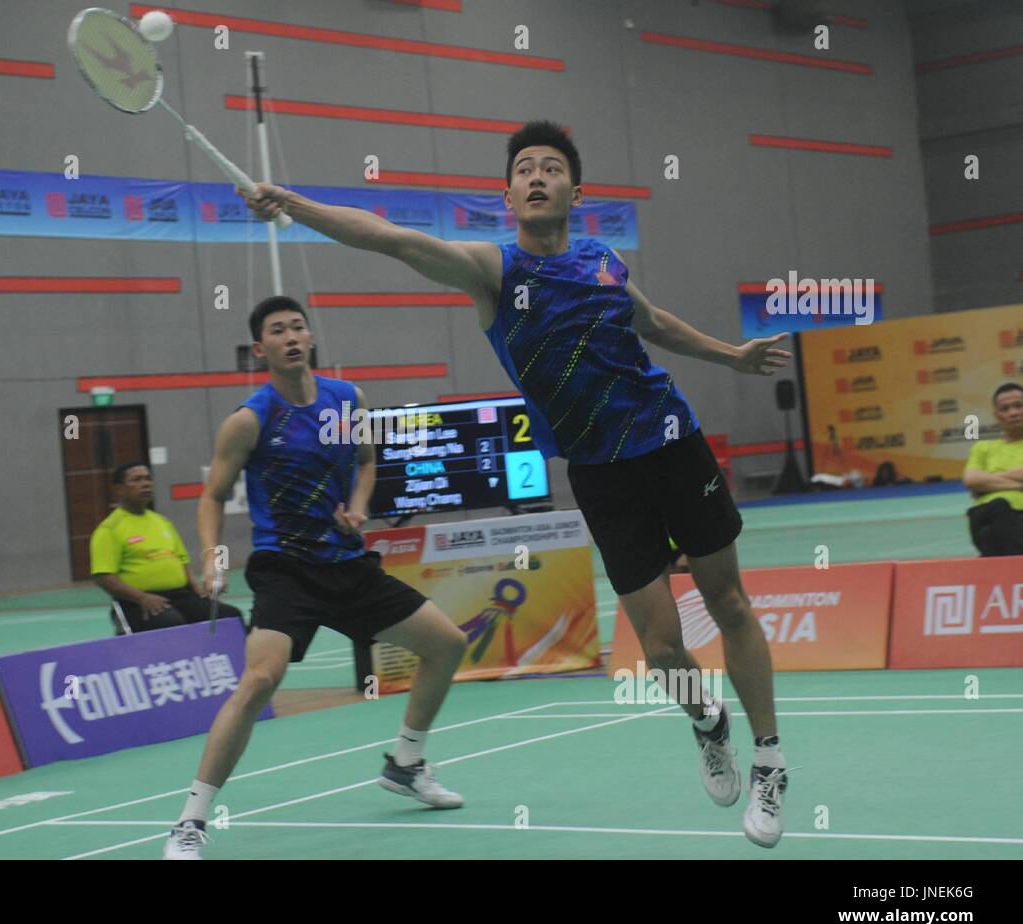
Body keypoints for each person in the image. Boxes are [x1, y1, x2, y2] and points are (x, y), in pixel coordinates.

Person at [239, 120, 794, 848]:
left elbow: (653, 323)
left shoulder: (602, 260)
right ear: (507, 196)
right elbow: (390, 238)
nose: (537, 176)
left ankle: (770, 761)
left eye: (552, 167)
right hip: (599, 472)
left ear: (575, 190)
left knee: (728, 601)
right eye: (525, 169)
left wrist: (731, 356)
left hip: (670, 441)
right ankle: (707, 721)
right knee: (661, 647)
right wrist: (295, 207)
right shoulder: (493, 273)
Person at [163, 296, 469, 860]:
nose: (292, 336)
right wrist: (211, 556)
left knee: (447, 644)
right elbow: (211, 495)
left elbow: (367, 459)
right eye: (278, 331)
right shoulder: (250, 419)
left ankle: (405, 763)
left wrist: (358, 507)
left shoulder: (346, 398)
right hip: (286, 569)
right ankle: (190, 822)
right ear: (261, 349)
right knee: (259, 680)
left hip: (346, 562)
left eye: (298, 327)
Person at [90, 462, 242, 633]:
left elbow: (182, 560)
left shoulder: (162, 522)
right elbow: (103, 577)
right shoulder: (109, 529)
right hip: (139, 602)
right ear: (119, 489)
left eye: (148, 479)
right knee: (171, 622)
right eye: (137, 480)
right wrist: (142, 598)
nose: (146, 484)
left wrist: (196, 587)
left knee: (229, 616)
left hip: (181, 595)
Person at [963, 382, 1023, 556]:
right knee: (999, 506)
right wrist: (1018, 484)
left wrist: (989, 479)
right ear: (996, 415)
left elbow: (979, 481)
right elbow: (972, 479)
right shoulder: (982, 447)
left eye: (1019, 406)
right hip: (985, 514)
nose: (1013, 413)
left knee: (991, 535)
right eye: (1005, 409)